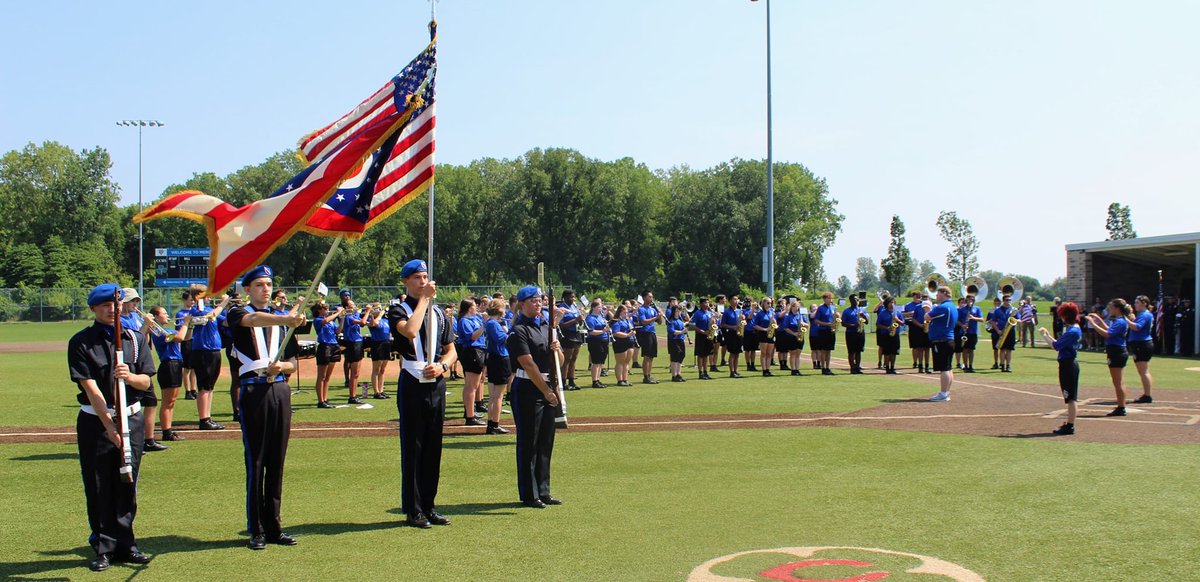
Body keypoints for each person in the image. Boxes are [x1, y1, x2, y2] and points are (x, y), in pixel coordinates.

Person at [68, 284, 155, 571]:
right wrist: (110, 427)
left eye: (116, 305)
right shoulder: (81, 342)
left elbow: (146, 382)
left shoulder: (134, 339)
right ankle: (103, 545)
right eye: (104, 305)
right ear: (93, 309)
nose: (111, 310)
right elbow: (90, 388)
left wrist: (129, 377)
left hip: (132, 418)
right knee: (99, 484)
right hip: (97, 421)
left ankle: (127, 544)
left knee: (127, 482)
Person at [226, 266, 306, 550]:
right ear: (247, 289)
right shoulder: (238, 312)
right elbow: (252, 320)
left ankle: (274, 526)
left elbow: (294, 362)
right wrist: (286, 317)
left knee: (276, 461)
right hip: (254, 390)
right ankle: (256, 528)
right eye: (259, 284)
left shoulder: (284, 323)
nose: (266, 289)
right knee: (256, 461)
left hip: (279, 389)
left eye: (269, 284)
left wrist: (281, 366)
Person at [388, 259, 457, 528]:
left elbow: (452, 350)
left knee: (433, 447)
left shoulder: (440, 313)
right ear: (406, 281)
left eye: (426, 276)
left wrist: (442, 366)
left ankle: (429, 505)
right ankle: (413, 508)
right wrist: (424, 301)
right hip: (412, 381)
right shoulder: (398, 310)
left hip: (435, 381)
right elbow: (410, 330)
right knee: (413, 447)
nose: (423, 281)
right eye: (417, 277)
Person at [506, 286, 563, 509]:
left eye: (540, 300)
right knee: (529, 442)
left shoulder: (547, 326)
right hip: (529, 388)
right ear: (522, 303)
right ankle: (530, 494)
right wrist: (546, 391)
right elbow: (528, 364)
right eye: (533, 300)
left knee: (546, 441)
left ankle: (544, 490)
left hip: (547, 384)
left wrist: (557, 349)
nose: (538, 304)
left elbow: (559, 360)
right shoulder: (518, 330)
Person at [119, 288, 168, 452]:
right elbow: (132, 341)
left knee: (151, 401)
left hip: (141, 365)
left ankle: (148, 439)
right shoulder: (120, 321)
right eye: (132, 301)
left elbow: (143, 340)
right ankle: (131, 440)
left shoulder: (134, 316)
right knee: (128, 404)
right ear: (124, 303)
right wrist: (146, 325)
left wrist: (147, 328)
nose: (135, 304)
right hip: (129, 365)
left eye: (136, 301)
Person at [188, 289, 231, 430]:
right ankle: (203, 418)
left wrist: (234, 309)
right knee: (204, 386)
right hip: (203, 351)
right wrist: (223, 303)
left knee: (210, 386)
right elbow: (210, 317)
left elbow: (225, 322)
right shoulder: (196, 311)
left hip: (214, 351)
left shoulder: (209, 309)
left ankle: (208, 417)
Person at [147, 306, 190, 444]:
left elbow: (186, 337)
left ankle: (169, 430)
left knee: (172, 402)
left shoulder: (167, 330)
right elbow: (179, 337)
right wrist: (186, 322)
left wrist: (190, 326)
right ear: (156, 316)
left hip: (176, 364)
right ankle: (166, 432)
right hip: (169, 365)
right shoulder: (159, 331)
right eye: (164, 313)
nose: (167, 315)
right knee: (167, 402)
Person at [1041, 302, 1082, 435]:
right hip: (1067, 364)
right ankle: (1069, 423)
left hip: (1068, 364)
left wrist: (1044, 335)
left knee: (1071, 397)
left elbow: (1056, 346)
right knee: (1069, 396)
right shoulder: (1073, 329)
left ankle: (1070, 425)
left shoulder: (1073, 331)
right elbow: (1058, 344)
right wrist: (1048, 335)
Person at [1086, 298, 1133, 417]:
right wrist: (1099, 320)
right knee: (1118, 381)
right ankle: (1121, 405)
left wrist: (1092, 323)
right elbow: (1109, 329)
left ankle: (1121, 407)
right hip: (1117, 351)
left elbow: (1107, 334)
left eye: (1111, 307)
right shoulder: (1119, 320)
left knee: (1118, 382)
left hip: (1117, 351)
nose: (1109, 309)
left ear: (1117, 308)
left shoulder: (1120, 321)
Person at [455, 299, 487, 426]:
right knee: (471, 386)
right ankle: (470, 416)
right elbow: (472, 336)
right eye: (474, 306)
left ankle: (470, 411)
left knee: (474, 384)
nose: (477, 309)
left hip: (478, 350)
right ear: (469, 308)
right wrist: (484, 324)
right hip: (471, 351)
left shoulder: (475, 319)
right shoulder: (464, 320)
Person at [483, 299, 513, 434]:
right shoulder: (493, 324)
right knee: (498, 395)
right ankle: (494, 424)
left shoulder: (491, 323)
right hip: (500, 358)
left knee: (493, 395)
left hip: (495, 358)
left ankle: (492, 423)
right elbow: (504, 339)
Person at [926, 286, 959, 402]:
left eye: (938, 293)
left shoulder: (942, 307)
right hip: (949, 339)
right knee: (948, 368)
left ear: (944, 293)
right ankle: (946, 392)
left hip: (941, 340)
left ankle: (943, 393)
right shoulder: (953, 307)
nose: (936, 296)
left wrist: (928, 307)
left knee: (944, 368)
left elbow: (926, 317)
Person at [311, 301, 344, 409]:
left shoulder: (331, 321)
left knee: (328, 377)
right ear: (319, 310)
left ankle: (325, 399)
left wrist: (342, 318)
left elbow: (338, 331)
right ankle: (320, 401)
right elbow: (325, 321)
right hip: (324, 346)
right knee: (322, 376)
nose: (327, 310)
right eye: (324, 308)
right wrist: (337, 313)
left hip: (334, 346)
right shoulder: (318, 320)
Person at [1127, 295, 1155, 404]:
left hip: (1142, 344)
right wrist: (1131, 318)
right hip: (1141, 343)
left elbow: (1137, 327)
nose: (1135, 304)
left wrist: (1125, 319)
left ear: (1144, 304)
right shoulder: (1143, 314)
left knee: (1143, 371)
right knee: (1143, 371)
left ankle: (1147, 395)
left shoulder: (1145, 314)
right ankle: (1147, 394)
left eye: (1138, 302)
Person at [557, 290, 584, 391]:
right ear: (565, 297)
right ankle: (563, 382)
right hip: (567, 335)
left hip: (576, 334)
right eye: (570, 297)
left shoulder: (574, 307)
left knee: (574, 358)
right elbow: (561, 325)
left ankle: (571, 380)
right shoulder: (561, 308)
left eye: (573, 297)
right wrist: (575, 320)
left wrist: (580, 320)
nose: (572, 299)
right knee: (566, 359)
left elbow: (578, 322)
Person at [366, 303, 392, 400]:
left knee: (383, 369)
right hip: (377, 344)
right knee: (376, 369)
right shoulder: (371, 319)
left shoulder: (386, 320)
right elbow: (374, 324)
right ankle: (376, 392)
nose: (379, 310)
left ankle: (381, 390)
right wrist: (377, 314)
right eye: (377, 308)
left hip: (386, 343)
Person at [635, 291, 662, 384]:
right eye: (650, 297)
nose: (651, 299)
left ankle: (649, 375)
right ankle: (645, 376)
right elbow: (643, 322)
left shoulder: (652, 309)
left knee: (651, 356)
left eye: (652, 297)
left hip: (652, 333)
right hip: (646, 334)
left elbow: (660, 322)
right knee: (647, 356)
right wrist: (655, 318)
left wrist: (660, 315)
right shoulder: (641, 309)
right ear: (644, 298)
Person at [177, 288, 198, 401]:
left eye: (193, 300)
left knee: (194, 368)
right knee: (187, 368)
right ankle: (187, 390)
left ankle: (194, 389)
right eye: (190, 300)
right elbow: (179, 328)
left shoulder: (194, 311)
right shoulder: (181, 313)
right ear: (185, 300)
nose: (192, 302)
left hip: (195, 341)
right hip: (186, 342)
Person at [875, 293, 903, 374]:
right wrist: (887, 328)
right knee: (887, 352)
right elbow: (878, 324)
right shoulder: (882, 313)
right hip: (885, 335)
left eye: (893, 302)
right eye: (890, 302)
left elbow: (902, 323)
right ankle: (887, 367)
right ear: (887, 303)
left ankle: (892, 367)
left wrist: (897, 319)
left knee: (894, 352)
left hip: (895, 334)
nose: (892, 304)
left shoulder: (897, 312)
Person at [689, 297, 715, 381]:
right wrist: (703, 332)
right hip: (701, 336)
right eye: (705, 303)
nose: (707, 304)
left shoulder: (710, 313)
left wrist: (714, 322)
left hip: (709, 335)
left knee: (706, 355)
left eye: (707, 303)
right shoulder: (697, 313)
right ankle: (700, 373)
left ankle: (705, 371)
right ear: (701, 304)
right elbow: (692, 326)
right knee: (700, 355)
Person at [719, 294, 745, 378]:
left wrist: (743, 320)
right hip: (731, 334)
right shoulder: (727, 311)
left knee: (737, 353)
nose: (736, 301)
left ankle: (736, 370)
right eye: (734, 299)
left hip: (739, 333)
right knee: (732, 353)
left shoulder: (739, 311)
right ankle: (732, 372)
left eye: (737, 299)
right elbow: (722, 324)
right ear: (730, 301)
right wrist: (733, 327)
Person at [609, 304, 635, 386]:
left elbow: (632, 328)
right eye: (624, 312)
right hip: (620, 342)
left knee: (626, 362)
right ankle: (620, 380)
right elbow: (616, 333)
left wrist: (633, 332)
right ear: (620, 312)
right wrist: (627, 335)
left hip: (629, 342)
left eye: (627, 312)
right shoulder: (616, 321)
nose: (626, 314)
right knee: (620, 362)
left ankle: (625, 379)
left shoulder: (628, 320)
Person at [902, 291, 928, 373]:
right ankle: (918, 364)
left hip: (927, 328)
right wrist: (920, 325)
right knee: (917, 347)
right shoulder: (916, 306)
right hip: (916, 328)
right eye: (923, 298)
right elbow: (909, 317)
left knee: (927, 348)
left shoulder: (932, 306)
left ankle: (927, 366)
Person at [751, 297, 777, 376]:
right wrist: (765, 329)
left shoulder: (772, 312)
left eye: (770, 303)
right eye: (768, 303)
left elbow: (775, 323)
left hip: (771, 334)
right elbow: (754, 325)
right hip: (763, 334)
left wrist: (774, 323)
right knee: (764, 353)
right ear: (763, 304)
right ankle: (764, 370)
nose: (769, 305)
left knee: (769, 353)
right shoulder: (759, 313)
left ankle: (768, 369)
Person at [813, 292, 837, 375]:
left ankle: (828, 367)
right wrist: (827, 324)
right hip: (823, 330)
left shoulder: (833, 307)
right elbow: (816, 320)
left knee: (829, 350)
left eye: (831, 298)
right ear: (824, 299)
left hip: (831, 331)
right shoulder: (820, 308)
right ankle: (823, 367)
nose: (830, 300)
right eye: (828, 298)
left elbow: (835, 317)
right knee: (823, 350)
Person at [841, 296, 866, 374]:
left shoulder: (861, 310)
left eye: (857, 299)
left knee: (858, 351)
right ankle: (852, 368)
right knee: (851, 351)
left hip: (860, 332)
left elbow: (866, 321)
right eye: (855, 299)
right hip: (851, 333)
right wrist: (852, 325)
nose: (856, 300)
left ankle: (857, 367)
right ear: (851, 300)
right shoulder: (846, 311)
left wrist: (863, 316)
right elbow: (843, 323)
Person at [958, 295, 983, 373]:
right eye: (969, 299)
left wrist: (973, 318)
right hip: (964, 332)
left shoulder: (977, 309)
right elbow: (957, 320)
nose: (970, 301)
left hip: (973, 332)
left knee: (971, 350)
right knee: (965, 349)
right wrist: (962, 325)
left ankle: (971, 366)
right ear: (966, 300)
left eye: (972, 299)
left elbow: (982, 319)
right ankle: (965, 365)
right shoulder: (962, 309)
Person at [994, 295, 1018, 372]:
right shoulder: (998, 310)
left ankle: (1008, 365)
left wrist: (1014, 320)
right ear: (1003, 301)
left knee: (1009, 349)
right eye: (1007, 300)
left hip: (1011, 331)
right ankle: (1002, 365)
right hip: (1002, 331)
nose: (1008, 302)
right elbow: (993, 321)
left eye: (1010, 300)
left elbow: (1019, 320)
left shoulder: (1014, 310)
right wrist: (998, 330)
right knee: (1002, 349)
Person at [666, 305, 688, 382]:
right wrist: (682, 332)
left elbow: (682, 329)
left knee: (681, 356)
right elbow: (672, 331)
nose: (678, 312)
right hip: (674, 341)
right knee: (675, 357)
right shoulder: (671, 321)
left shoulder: (679, 321)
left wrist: (684, 330)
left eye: (679, 311)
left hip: (680, 340)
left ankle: (678, 374)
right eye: (676, 311)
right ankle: (674, 375)